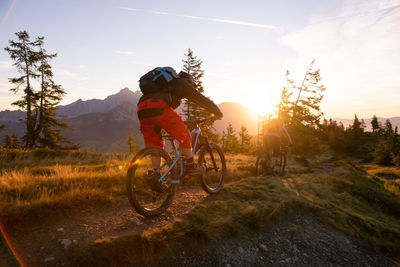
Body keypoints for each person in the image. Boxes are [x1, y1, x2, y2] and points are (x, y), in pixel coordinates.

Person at [137, 68, 223, 180]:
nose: (191, 88)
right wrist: (217, 112)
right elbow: (200, 99)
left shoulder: (164, 86)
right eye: (192, 86)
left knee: (154, 145)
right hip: (158, 106)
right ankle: (191, 166)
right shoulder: (181, 83)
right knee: (184, 135)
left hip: (142, 108)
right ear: (189, 81)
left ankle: (155, 175)